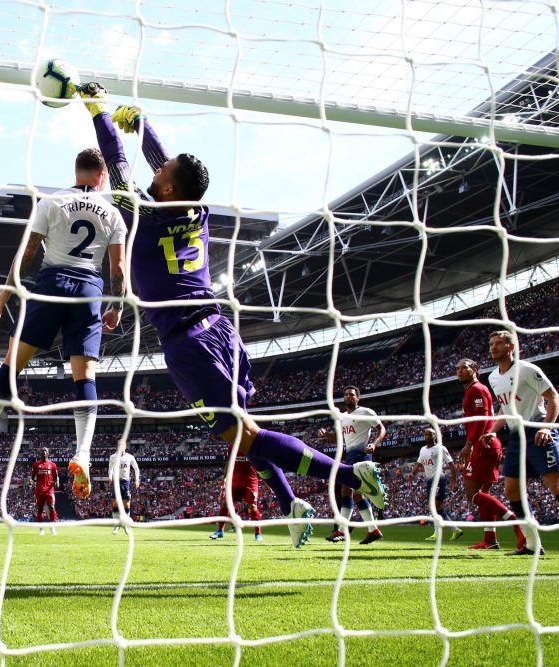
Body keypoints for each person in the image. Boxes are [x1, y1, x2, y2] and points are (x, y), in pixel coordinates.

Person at [78, 84, 388, 548]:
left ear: (164, 188)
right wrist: (142, 123)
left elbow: (117, 163)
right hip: (221, 329)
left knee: (243, 437)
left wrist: (98, 110)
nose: (155, 171)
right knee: (246, 432)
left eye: (160, 173)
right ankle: (289, 503)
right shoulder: (197, 209)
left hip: (189, 342)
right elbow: (167, 164)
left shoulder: (145, 213)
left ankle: (347, 474)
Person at [0, 148, 127, 501]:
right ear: (102, 176)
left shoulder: (52, 202)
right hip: (89, 289)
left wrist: (6, 292)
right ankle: (82, 452)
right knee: (85, 376)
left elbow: (29, 251)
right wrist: (116, 308)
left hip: (50, 285)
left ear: (76, 171)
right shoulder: (113, 214)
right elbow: (119, 270)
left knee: (12, 363)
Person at [482, 330, 559, 556]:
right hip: (516, 436)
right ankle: (532, 545)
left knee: (555, 485)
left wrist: (546, 426)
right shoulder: (493, 377)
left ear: (511, 347)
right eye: (491, 344)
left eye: (498, 343)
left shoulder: (527, 369)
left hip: (537, 430)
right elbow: (505, 409)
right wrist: (493, 432)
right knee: (512, 490)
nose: (493, 347)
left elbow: (553, 397)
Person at [456, 358, 522, 550]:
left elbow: (482, 419)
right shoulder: (472, 390)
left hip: (483, 445)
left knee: (473, 494)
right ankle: (490, 539)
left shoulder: (477, 389)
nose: (459, 371)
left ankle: (516, 522)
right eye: (457, 369)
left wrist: (469, 444)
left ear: (474, 369)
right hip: (486, 444)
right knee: (483, 494)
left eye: (464, 368)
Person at [319, 386, 387, 545]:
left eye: (352, 395)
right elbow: (339, 437)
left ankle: (342, 530)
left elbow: (381, 429)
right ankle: (373, 530)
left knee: (347, 490)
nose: (348, 396)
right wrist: (326, 434)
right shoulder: (342, 417)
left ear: (358, 398)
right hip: (350, 455)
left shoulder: (365, 412)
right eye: (346, 394)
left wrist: (375, 444)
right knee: (353, 493)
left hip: (362, 455)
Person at [408, 427, 463, 541]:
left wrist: (454, 482)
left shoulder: (440, 448)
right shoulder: (423, 449)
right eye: (426, 435)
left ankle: (451, 530)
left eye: (430, 434)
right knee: (434, 508)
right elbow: (418, 463)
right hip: (429, 481)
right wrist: (412, 473)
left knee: (436, 507)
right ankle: (446, 531)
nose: (427, 436)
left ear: (435, 436)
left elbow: (452, 465)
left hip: (439, 479)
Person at [210, 451, 263, 542]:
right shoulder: (231, 445)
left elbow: (261, 462)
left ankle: (258, 533)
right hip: (234, 481)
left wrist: (266, 481)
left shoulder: (250, 443)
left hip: (250, 481)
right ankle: (220, 531)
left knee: (253, 506)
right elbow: (229, 462)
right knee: (225, 504)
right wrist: (225, 477)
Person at [108, 440, 140, 534]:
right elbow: (110, 468)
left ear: (125, 446)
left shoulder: (130, 457)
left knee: (126, 504)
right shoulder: (113, 457)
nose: (121, 447)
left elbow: (136, 468)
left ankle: (125, 525)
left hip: (125, 482)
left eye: (122, 445)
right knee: (115, 503)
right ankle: (116, 525)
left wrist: (137, 480)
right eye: (119, 445)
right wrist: (110, 477)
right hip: (116, 482)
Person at [31, 447, 59, 536]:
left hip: (49, 489)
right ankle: (41, 529)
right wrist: (32, 481)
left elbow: (55, 476)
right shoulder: (36, 464)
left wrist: (57, 483)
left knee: (51, 507)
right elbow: (32, 477)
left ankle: (52, 527)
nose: (43, 452)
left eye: (45, 451)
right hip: (39, 489)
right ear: (40, 453)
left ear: (48, 453)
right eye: (42, 451)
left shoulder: (52, 465)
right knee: (40, 509)